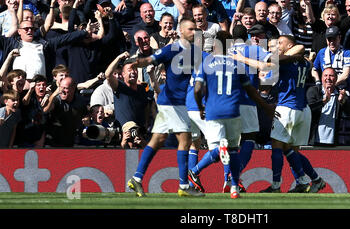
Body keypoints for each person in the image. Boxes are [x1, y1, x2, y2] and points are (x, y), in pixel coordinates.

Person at [127, 18, 205, 197]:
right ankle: (184, 186)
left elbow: (199, 78)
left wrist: (199, 103)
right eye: (190, 29)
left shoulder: (195, 52)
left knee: (157, 140)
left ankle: (136, 179)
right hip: (171, 102)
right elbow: (151, 59)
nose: (194, 32)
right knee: (185, 140)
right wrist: (138, 62)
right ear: (181, 31)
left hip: (176, 102)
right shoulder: (172, 49)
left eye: (195, 29)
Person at [193, 30, 274, 198]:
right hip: (246, 103)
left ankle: (224, 178)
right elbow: (271, 63)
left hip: (224, 104)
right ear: (247, 37)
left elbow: (199, 87)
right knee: (247, 141)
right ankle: (233, 180)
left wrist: (200, 105)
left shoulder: (210, 60)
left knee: (225, 146)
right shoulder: (253, 49)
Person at [256, 35, 325, 193]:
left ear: (290, 46)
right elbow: (307, 60)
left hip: (287, 108)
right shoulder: (305, 63)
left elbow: (271, 63)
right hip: (303, 110)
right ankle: (311, 180)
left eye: (281, 43)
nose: (278, 45)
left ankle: (275, 186)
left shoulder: (283, 61)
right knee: (291, 150)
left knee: (277, 147)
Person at [307, 67, 350, 146]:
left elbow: (348, 114)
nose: (328, 78)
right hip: (313, 140)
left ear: (336, 78)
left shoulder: (341, 95)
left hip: (333, 141)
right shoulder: (313, 91)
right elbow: (308, 110)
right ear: (321, 78)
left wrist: (342, 102)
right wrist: (323, 102)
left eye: (331, 76)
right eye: (325, 75)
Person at [43, 76, 89, 147]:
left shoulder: (80, 101)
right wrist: (53, 95)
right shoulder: (56, 99)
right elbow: (45, 110)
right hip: (53, 141)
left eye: (66, 88)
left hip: (72, 140)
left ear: (73, 89)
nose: (62, 91)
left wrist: (86, 121)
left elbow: (85, 115)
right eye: (61, 87)